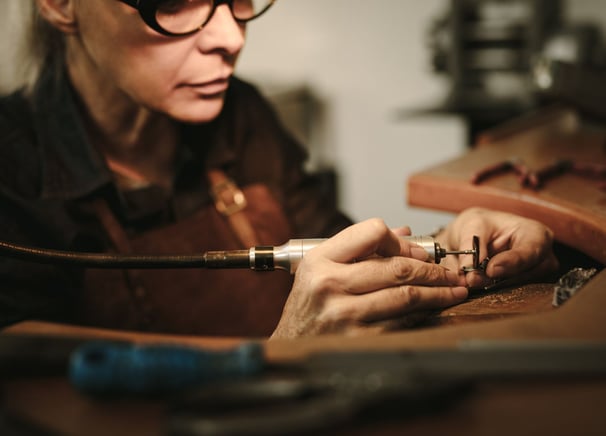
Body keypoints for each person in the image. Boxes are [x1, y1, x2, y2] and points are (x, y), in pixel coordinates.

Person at [0, 0, 558, 338]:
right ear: (58, 5)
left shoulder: (241, 115)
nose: (231, 37)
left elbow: (342, 252)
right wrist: (285, 352)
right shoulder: (13, 172)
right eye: (171, 1)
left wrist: (444, 246)